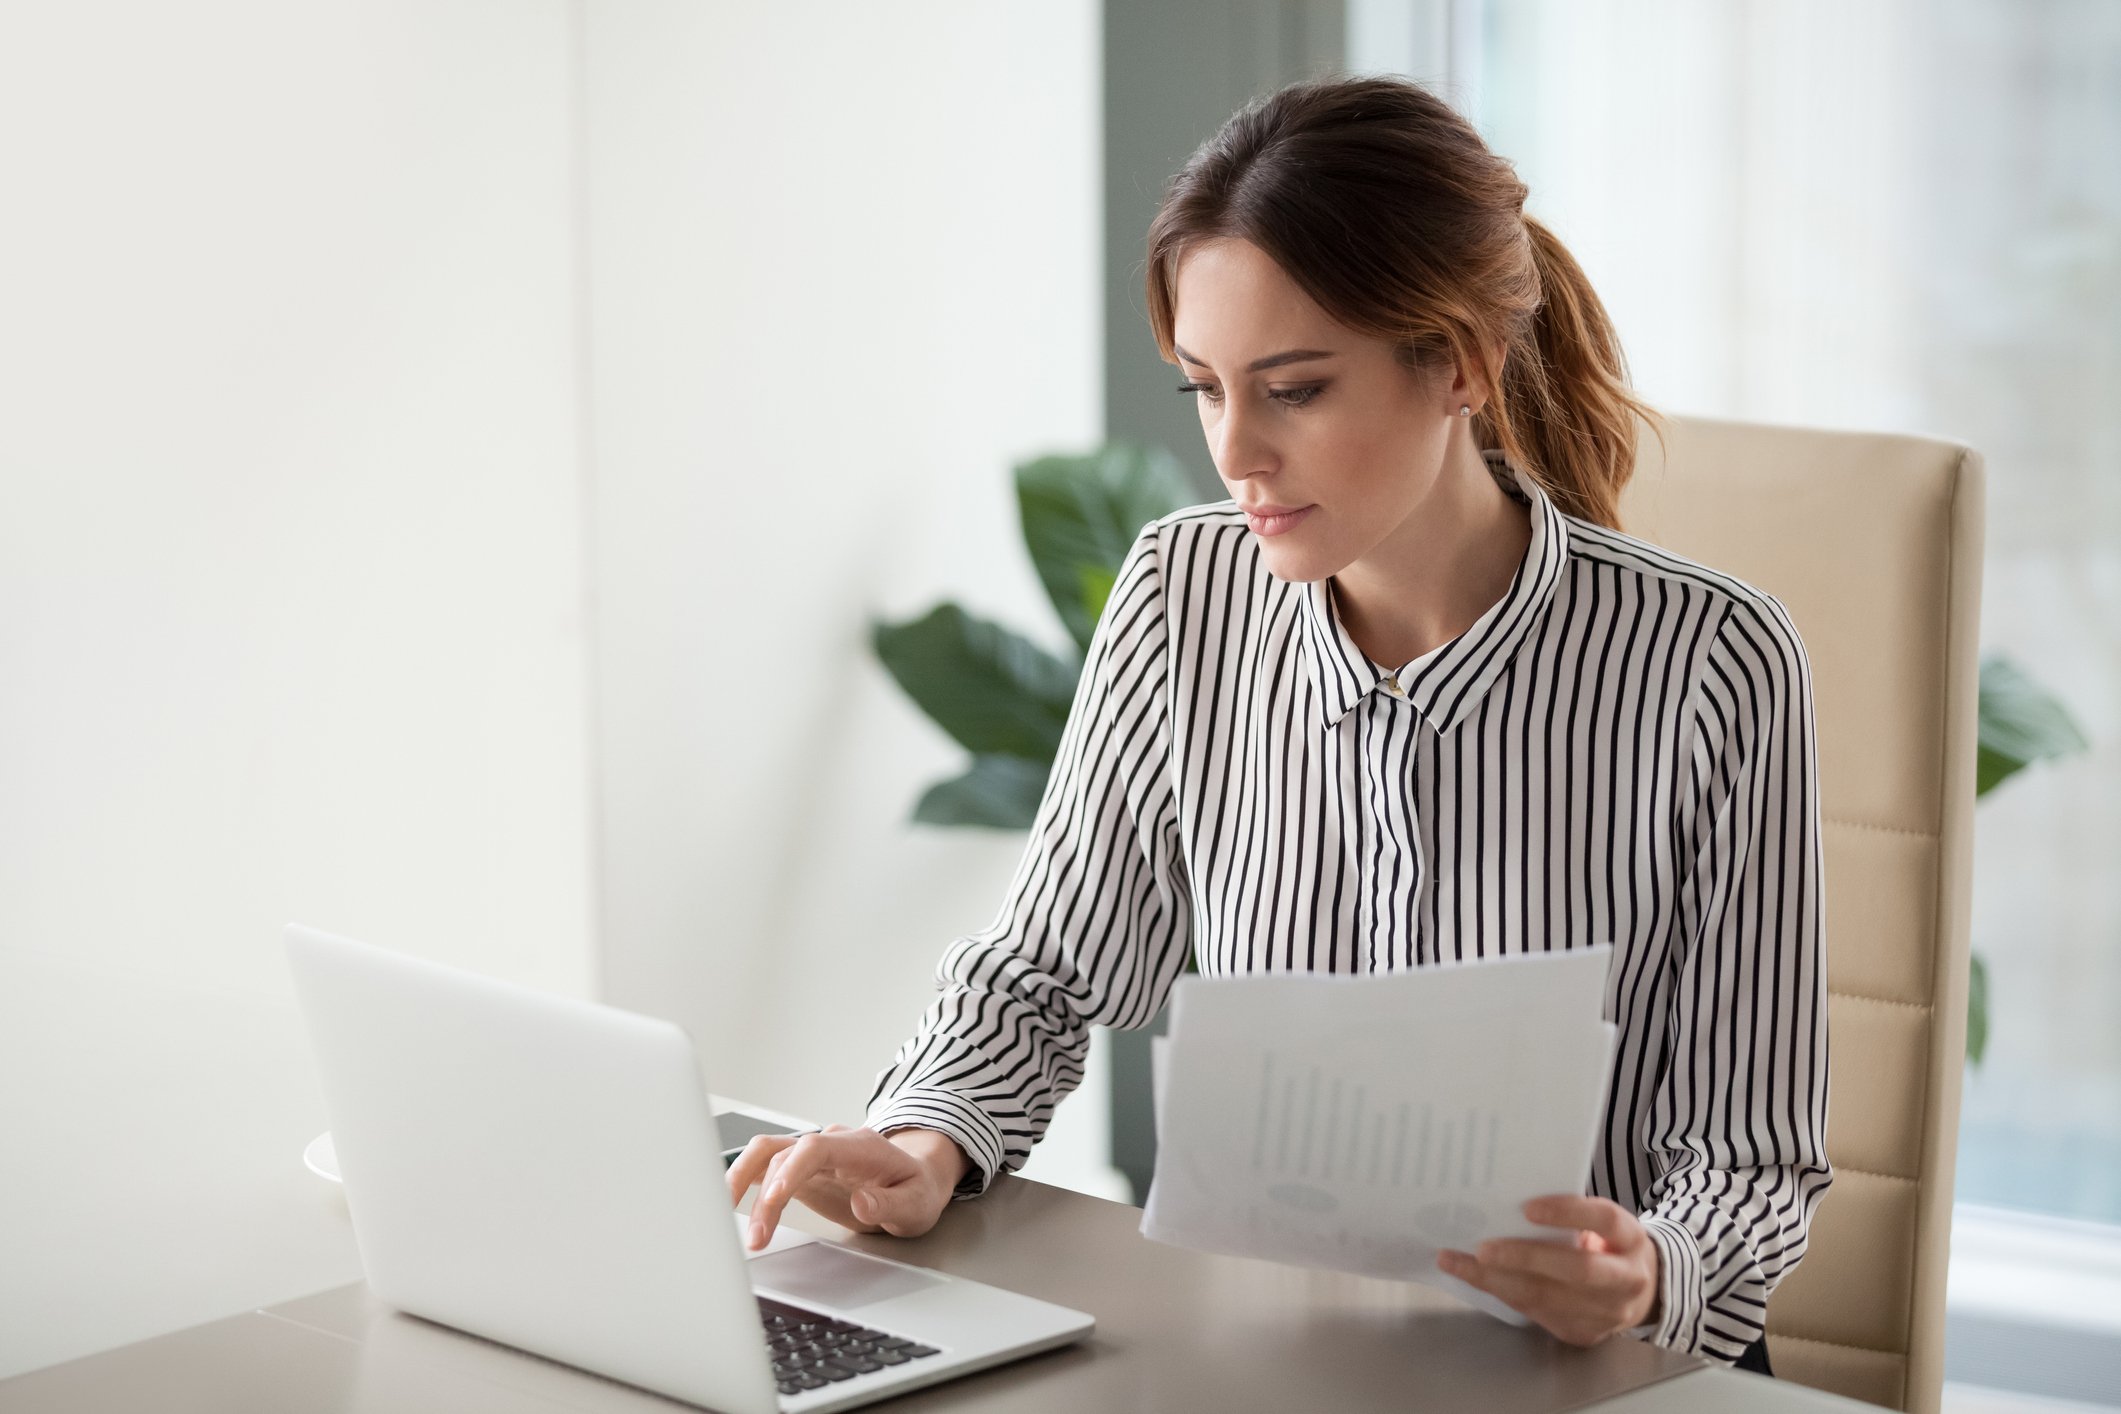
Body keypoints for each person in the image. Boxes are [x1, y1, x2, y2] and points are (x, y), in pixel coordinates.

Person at [728, 73, 1829, 1377]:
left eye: (1293, 389)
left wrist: (1647, 1272)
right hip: (1265, 1364)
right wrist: (927, 1136)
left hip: (1593, 1378)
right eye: (1203, 387)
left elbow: (1750, 1153)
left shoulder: (1713, 660)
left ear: (1460, 363)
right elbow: (1042, 972)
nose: (1233, 451)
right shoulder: (1178, 594)